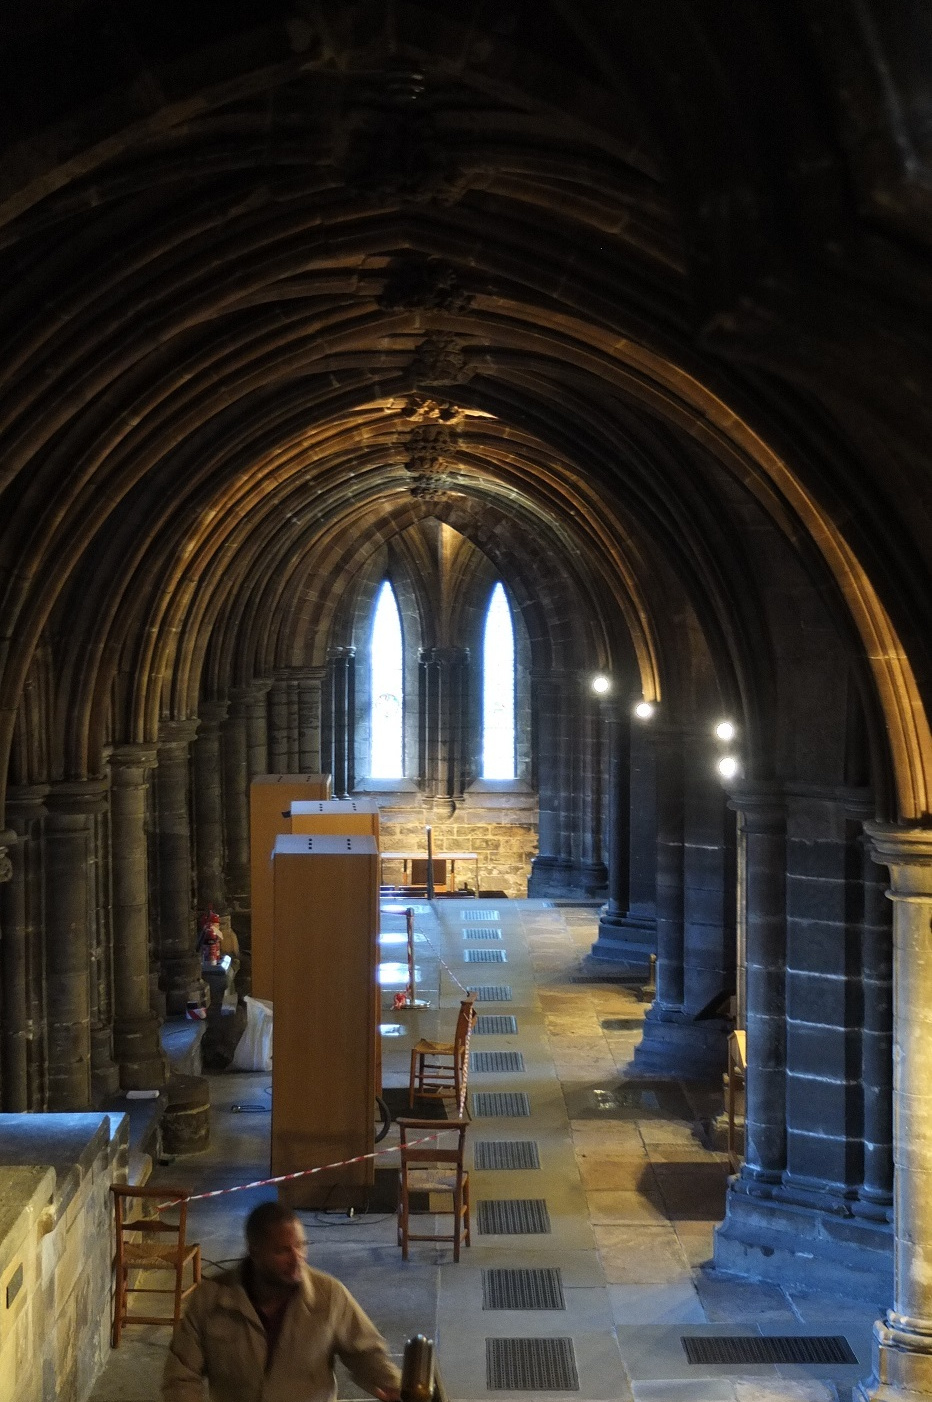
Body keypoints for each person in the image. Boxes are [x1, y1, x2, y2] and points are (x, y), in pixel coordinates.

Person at [162, 1200, 403, 1402]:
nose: (297, 1259)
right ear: (255, 1252)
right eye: (282, 1251)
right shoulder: (211, 1300)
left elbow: (366, 1353)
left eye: (300, 1246)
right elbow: (181, 1375)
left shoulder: (329, 1295)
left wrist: (396, 1386)